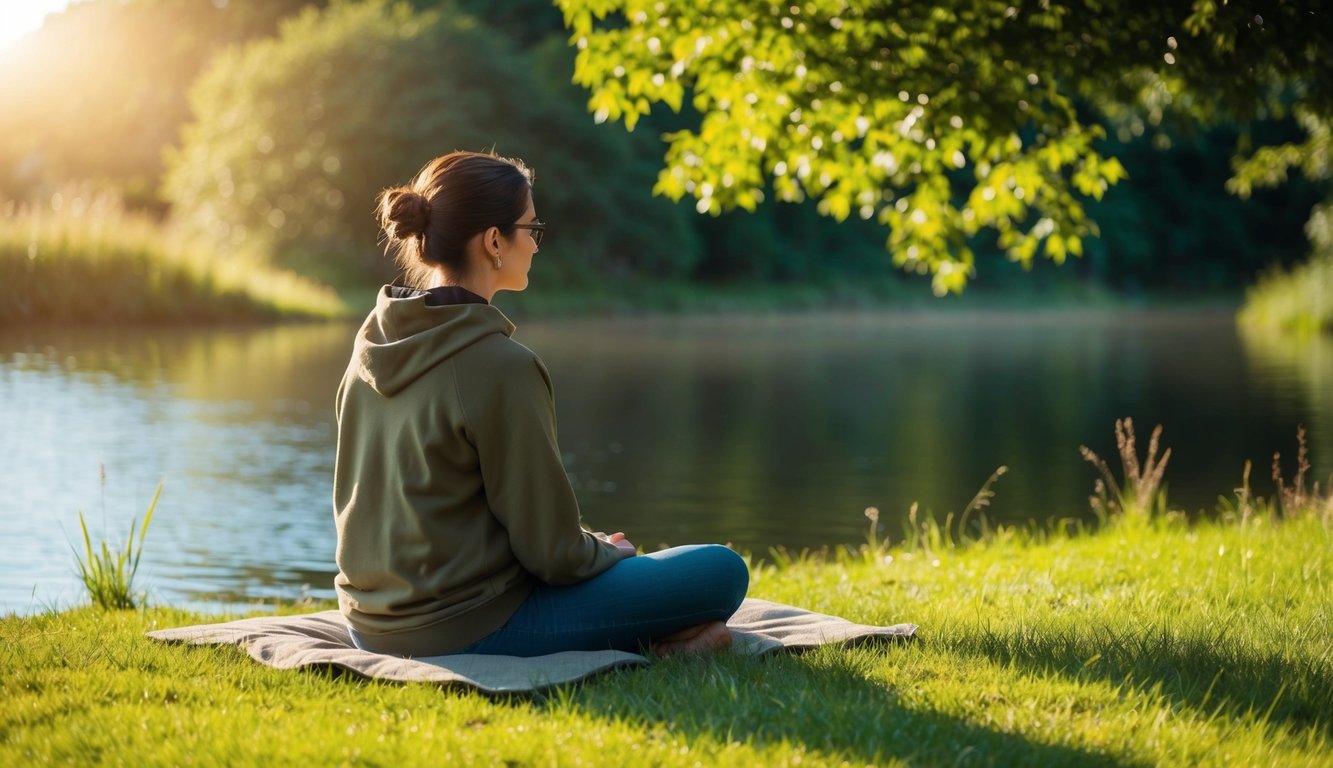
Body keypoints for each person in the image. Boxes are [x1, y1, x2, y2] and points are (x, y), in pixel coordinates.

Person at [332, 150, 749, 658]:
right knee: (721, 570)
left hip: (368, 621)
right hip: (461, 626)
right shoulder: (500, 366)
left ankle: (662, 639)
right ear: (493, 242)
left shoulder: (369, 347)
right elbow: (552, 555)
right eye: (531, 227)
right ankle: (663, 642)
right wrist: (606, 553)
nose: (535, 243)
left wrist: (585, 548)